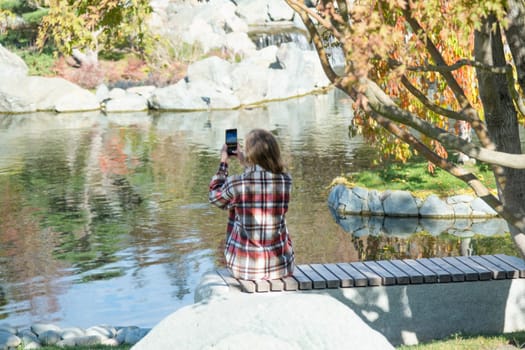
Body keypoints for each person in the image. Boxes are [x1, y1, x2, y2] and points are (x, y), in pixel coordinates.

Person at [209, 129, 295, 280]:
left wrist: (223, 163)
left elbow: (215, 197)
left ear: (250, 154)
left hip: (245, 269)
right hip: (281, 268)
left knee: (236, 213)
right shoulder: (286, 181)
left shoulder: (237, 183)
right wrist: (246, 162)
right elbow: (260, 179)